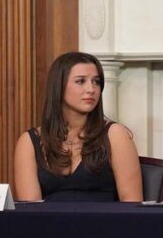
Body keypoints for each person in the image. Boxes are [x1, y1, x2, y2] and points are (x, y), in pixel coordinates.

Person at [14, 52, 142, 202]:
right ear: (59, 87)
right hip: (49, 224)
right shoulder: (30, 141)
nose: (91, 89)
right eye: (81, 81)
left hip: (105, 224)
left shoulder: (116, 135)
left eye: (96, 82)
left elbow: (132, 205)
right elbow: (29, 212)